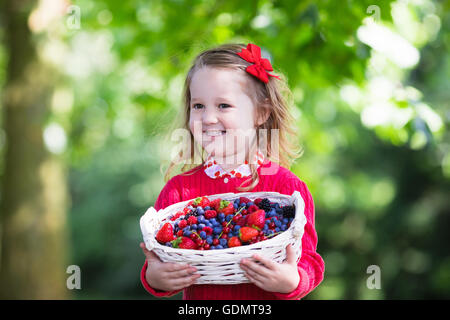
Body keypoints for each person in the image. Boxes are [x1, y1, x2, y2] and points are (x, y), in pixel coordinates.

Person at [139, 43, 325, 300]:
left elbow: (309, 262)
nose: (208, 118)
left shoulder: (287, 188)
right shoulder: (179, 191)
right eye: (198, 106)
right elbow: (160, 261)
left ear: (261, 113)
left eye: (223, 105)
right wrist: (155, 277)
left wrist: (293, 280)